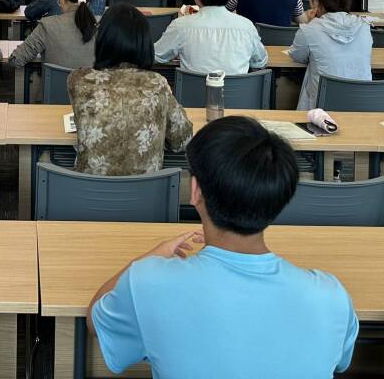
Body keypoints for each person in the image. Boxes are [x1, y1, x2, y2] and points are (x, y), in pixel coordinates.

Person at [89, 116, 358, 377]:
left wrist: (148, 258)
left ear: (196, 191)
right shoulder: (332, 297)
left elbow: (96, 321)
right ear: (278, 197)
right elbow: (341, 363)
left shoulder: (146, 282)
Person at [67, 4, 193, 175]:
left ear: (102, 40)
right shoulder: (157, 84)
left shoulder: (79, 80)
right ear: (145, 43)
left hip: (90, 190)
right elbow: (182, 140)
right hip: (146, 190)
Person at [155, 0, 267, 75]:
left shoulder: (181, 26)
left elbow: (155, 55)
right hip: (238, 87)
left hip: (192, 87)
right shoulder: (247, 26)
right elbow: (260, 61)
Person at [288, 0, 371, 110]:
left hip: (323, 108)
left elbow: (297, 55)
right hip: (362, 104)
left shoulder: (310, 30)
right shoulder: (364, 27)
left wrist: (311, 24)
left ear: (316, 1)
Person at [12, 0, 100, 78]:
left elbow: (16, 60)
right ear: (88, 2)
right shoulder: (101, 27)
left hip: (54, 88)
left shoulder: (47, 25)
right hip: (89, 88)